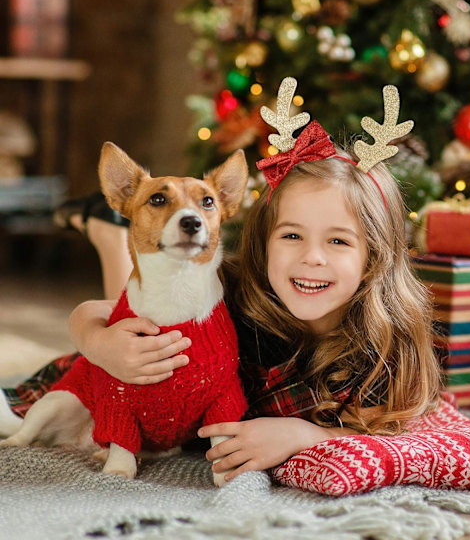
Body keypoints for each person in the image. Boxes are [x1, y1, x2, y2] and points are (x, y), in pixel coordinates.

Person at [1, 114, 441, 483]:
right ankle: (112, 233)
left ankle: (111, 231)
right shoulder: (240, 288)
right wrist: (96, 343)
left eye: (339, 242)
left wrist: (305, 437)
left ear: (374, 257)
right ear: (264, 240)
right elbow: (94, 314)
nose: (311, 258)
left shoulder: (385, 349)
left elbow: (416, 442)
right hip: (119, 383)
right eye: (291, 235)